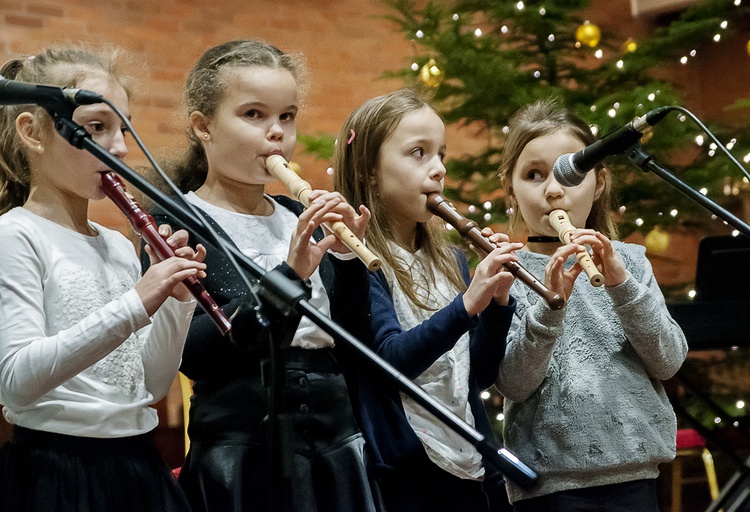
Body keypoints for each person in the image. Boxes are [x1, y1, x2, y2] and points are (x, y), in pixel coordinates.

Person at [145, 39, 383, 512]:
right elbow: (196, 353)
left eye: (287, 116)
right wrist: (289, 275)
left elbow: (355, 338)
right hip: (242, 453)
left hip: (335, 449)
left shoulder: (300, 215)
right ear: (203, 126)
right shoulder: (177, 222)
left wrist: (352, 264)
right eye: (254, 115)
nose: (277, 133)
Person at [0, 46, 207, 512]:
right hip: (56, 475)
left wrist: (174, 300)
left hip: (137, 468)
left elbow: (150, 388)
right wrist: (137, 302)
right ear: (33, 132)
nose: (117, 148)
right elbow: (15, 382)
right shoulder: (16, 235)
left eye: (122, 128)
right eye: (96, 127)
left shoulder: (116, 245)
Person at [494, 98, 688, 511]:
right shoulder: (505, 271)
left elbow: (668, 360)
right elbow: (513, 382)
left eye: (571, 172)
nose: (553, 190)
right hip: (549, 488)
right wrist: (550, 307)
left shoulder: (631, 260)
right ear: (510, 188)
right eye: (533, 175)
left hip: (636, 475)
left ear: (598, 182)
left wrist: (621, 284)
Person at [333, 88, 522, 512]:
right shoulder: (355, 261)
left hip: (471, 462)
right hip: (408, 473)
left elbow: (480, 374)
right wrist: (466, 306)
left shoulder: (451, 258)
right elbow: (389, 362)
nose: (438, 170)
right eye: (418, 153)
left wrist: (497, 303)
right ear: (369, 172)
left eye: (441, 156)